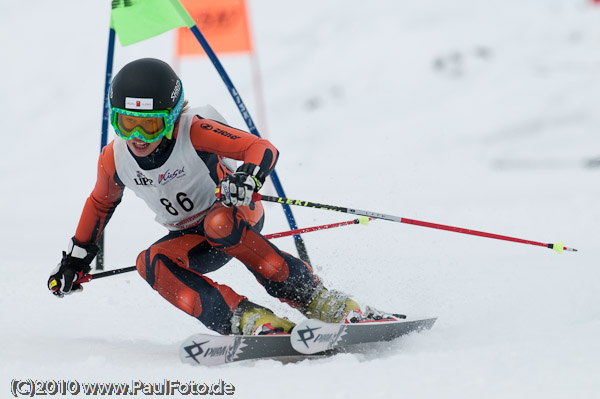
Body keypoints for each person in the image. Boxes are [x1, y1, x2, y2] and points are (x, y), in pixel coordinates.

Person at [47, 58, 380, 336]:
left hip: (235, 212)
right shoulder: (113, 158)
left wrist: (247, 176)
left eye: (149, 126)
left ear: (172, 117)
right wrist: (74, 263)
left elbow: (260, 148)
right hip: (191, 238)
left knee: (218, 224)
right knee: (149, 263)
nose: (136, 136)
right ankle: (246, 319)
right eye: (126, 122)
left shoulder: (194, 130)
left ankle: (317, 299)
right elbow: (100, 204)